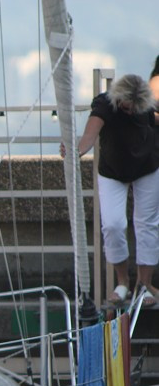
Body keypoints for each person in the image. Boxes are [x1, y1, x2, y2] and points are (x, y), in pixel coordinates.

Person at [67, 74, 159, 307]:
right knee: (113, 224)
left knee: (147, 224)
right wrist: (76, 151)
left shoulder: (146, 106)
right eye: (128, 109)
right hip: (112, 170)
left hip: (148, 166)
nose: (131, 113)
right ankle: (122, 282)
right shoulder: (105, 105)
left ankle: (144, 284)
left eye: (135, 110)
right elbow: (90, 134)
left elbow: (153, 119)